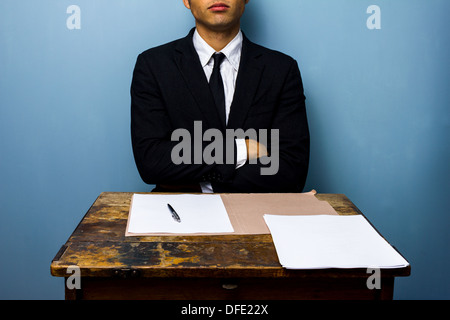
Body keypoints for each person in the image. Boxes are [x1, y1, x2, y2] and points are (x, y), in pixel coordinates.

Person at [131, 0, 310, 193]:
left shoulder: (281, 69)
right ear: (186, 1)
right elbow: (152, 162)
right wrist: (237, 151)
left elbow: (292, 171)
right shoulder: (153, 66)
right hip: (180, 215)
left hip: (257, 213)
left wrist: (198, 182)